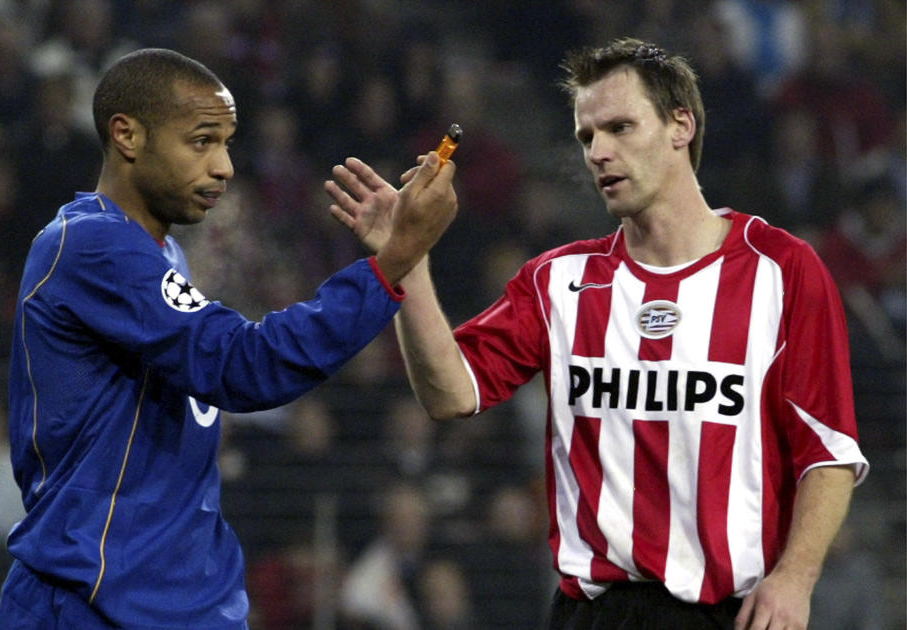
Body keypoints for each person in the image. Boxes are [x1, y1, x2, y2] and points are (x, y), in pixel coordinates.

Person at [326, 38, 868, 630]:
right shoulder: (559, 281)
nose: (599, 153)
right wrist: (407, 258)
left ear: (680, 125)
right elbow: (450, 394)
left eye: (619, 128)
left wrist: (796, 577)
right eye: (587, 137)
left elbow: (828, 450)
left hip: (729, 614)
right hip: (593, 614)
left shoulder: (780, 270)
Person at [0, 47, 458, 629]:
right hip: (97, 600)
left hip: (180, 596)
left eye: (227, 143)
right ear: (127, 135)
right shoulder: (91, 246)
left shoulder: (160, 253)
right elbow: (244, 364)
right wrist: (393, 262)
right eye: (201, 141)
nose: (224, 167)